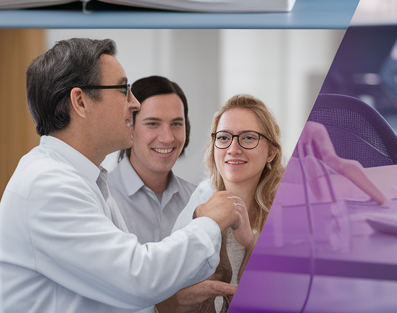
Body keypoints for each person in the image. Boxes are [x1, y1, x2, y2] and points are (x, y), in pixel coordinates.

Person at [0, 38, 244, 312]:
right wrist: (209, 222)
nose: (134, 103)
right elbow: (138, 276)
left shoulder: (86, 179)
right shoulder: (47, 185)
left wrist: (167, 305)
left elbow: (108, 293)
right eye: (122, 90)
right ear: (80, 101)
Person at [165, 95, 285, 313]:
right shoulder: (202, 200)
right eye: (223, 138)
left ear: (271, 152)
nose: (233, 148)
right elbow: (167, 289)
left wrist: (251, 243)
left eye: (248, 138)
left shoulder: (289, 208)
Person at [107, 75, 198, 243]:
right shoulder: (102, 198)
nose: (167, 138)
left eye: (176, 124)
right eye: (152, 124)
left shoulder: (197, 199)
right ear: (129, 128)